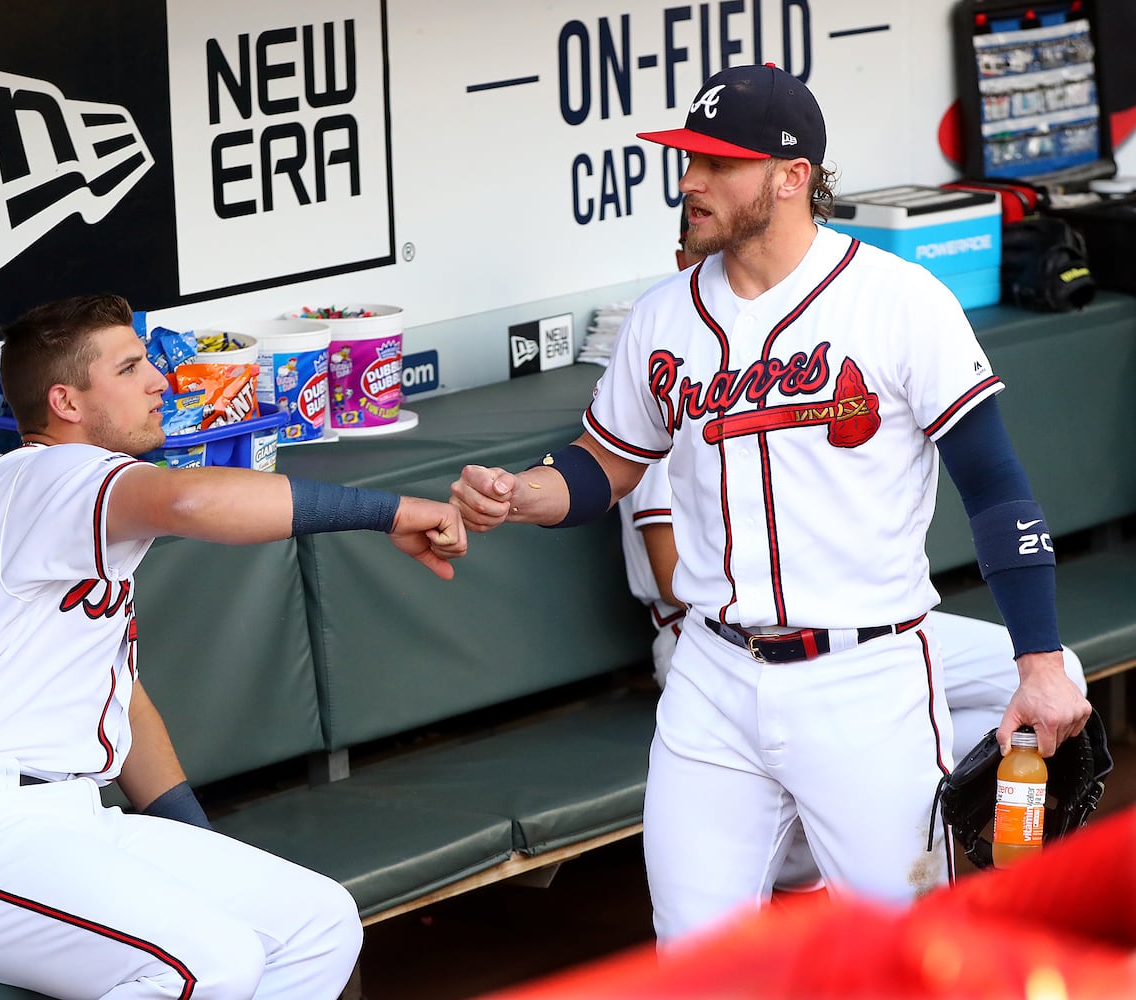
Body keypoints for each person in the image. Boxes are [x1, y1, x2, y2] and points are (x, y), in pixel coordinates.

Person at [451, 63, 1091, 944]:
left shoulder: (898, 300)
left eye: (717, 164)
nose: (689, 182)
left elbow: (993, 485)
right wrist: (521, 494)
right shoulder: (661, 317)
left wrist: (1040, 656)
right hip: (711, 677)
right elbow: (605, 462)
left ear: (792, 178)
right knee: (696, 957)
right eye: (688, 159)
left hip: (865, 676)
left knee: (909, 952)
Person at [0, 293, 467, 998]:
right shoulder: (41, 474)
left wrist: (197, 848)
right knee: (212, 963)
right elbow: (188, 501)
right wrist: (387, 510)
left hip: (68, 821)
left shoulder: (68, 519)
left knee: (319, 923)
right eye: (129, 369)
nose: (159, 380)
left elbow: (123, 705)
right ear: (65, 400)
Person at [621, 209, 1088, 763]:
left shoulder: (860, 320)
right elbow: (671, 574)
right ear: (681, 261)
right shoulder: (672, 367)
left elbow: (991, 478)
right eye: (706, 251)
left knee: (1059, 674)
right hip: (711, 639)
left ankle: (927, 783)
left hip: (853, 630)